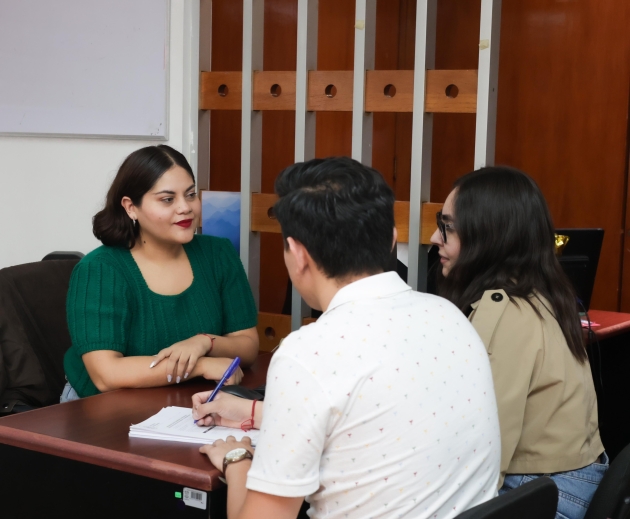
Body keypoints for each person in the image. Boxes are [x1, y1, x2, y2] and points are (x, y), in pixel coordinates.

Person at [192, 157, 501, 519]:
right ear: (392, 239)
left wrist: (237, 459)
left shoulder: (308, 352)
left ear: (298, 255)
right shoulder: (451, 316)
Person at [430, 166, 607, 519]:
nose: (436, 238)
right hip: (574, 483)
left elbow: (484, 451)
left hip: (545, 493)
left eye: (448, 226)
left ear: (488, 235)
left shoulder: (504, 311)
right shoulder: (544, 294)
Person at [62, 145, 258, 401]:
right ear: (131, 207)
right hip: (103, 407)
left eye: (190, 195)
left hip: (185, 399)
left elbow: (248, 345)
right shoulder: (99, 270)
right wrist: (199, 365)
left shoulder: (218, 253)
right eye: (168, 199)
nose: (185, 208)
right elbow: (106, 375)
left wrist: (205, 342)